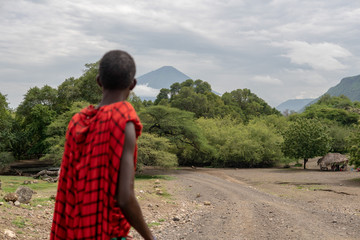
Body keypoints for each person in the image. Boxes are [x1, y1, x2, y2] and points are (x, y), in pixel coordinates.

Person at [50, 50, 155, 240]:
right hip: (106, 234)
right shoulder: (123, 119)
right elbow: (125, 198)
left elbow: (69, 188)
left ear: (99, 81)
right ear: (132, 84)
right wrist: (150, 238)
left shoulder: (77, 122)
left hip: (74, 232)